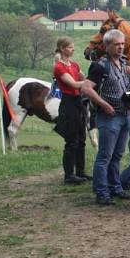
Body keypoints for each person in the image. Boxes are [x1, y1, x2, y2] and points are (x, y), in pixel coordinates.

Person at [81, 29, 130, 206]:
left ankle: (115, 187)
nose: (120, 47)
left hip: (126, 114)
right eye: (116, 44)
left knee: (118, 155)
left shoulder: (124, 63)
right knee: (105, 155)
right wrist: (104, 104)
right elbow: (86, 88)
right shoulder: (100, 66)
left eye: (122, 44)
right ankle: (101, 192)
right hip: (109, 117)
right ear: (106, 46)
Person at [52, 37, 90, 185]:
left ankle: (80, 172)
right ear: (62, 48)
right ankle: (69, 175)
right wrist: (90, 83)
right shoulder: (59, 67)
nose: (73, 49)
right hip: (68, 103)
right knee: (72, 141)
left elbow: (83, 77)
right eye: (70, 47)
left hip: (77, 102)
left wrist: (89, 81)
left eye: (73, 47)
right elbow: (74, 84)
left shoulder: (74, 65)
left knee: (81, 139)